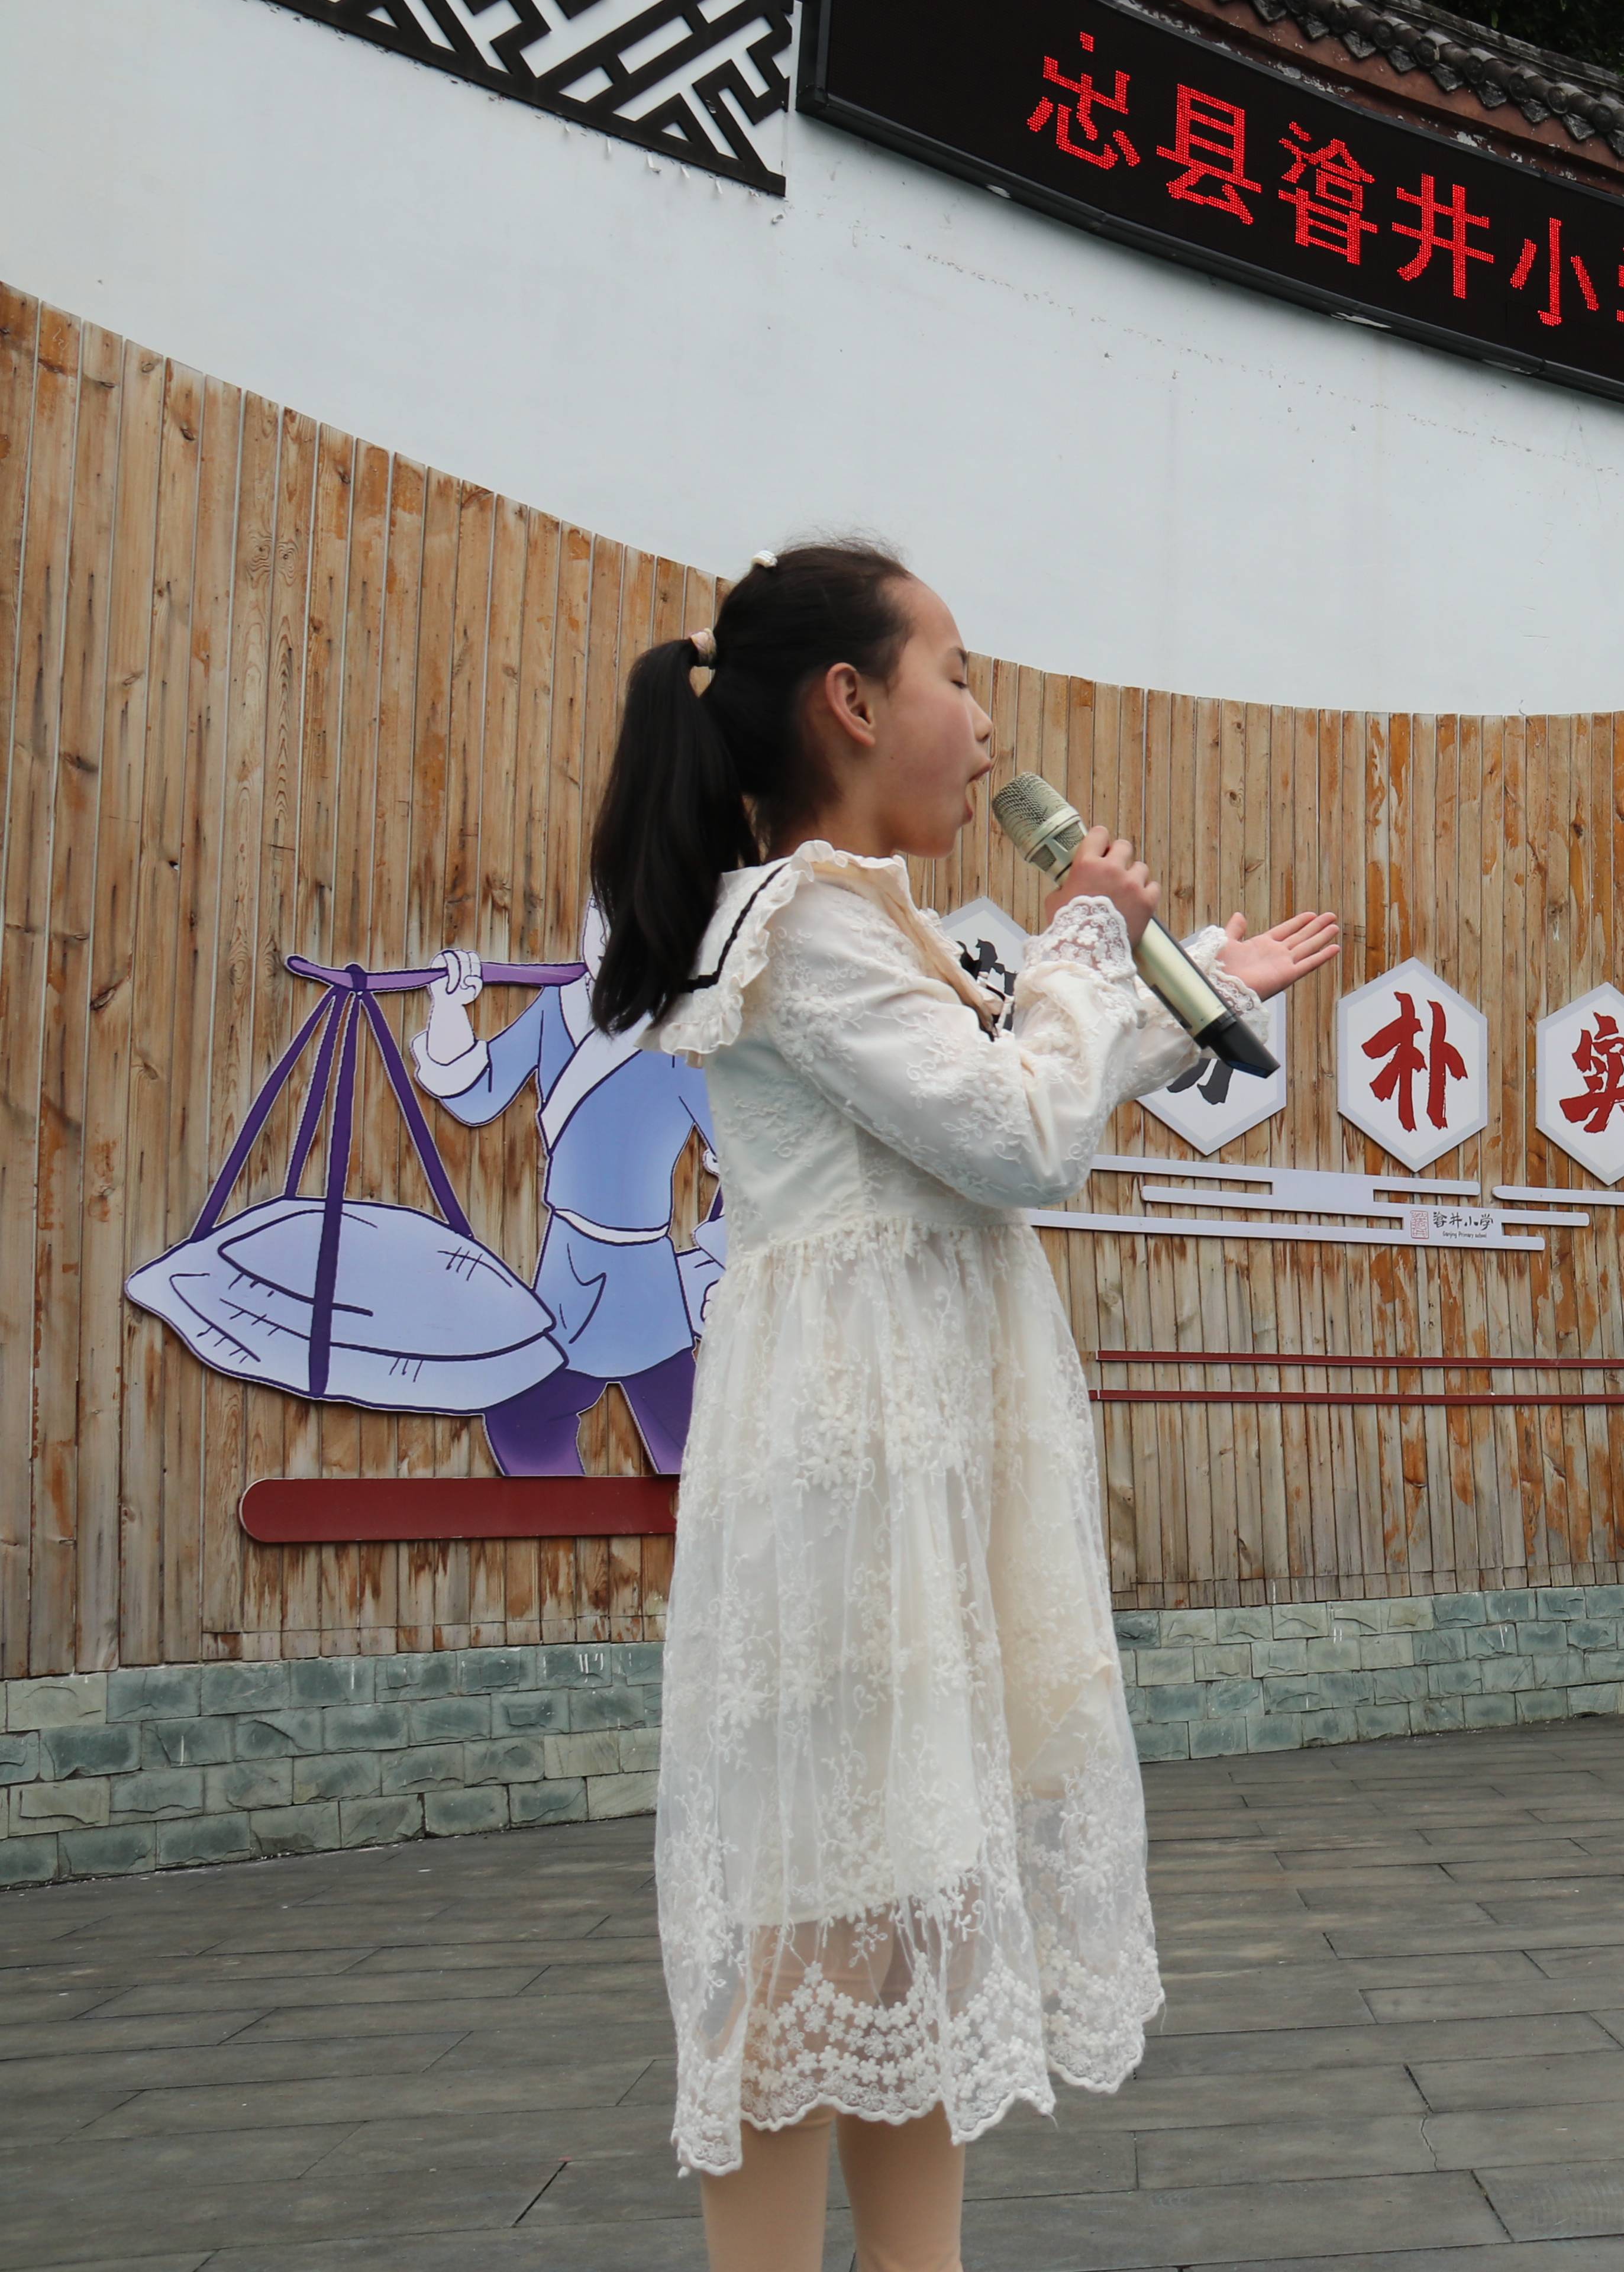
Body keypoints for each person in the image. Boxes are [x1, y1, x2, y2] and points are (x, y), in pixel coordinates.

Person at [583, 542, 1341, 2271]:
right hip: (855, 1475)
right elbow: (1013, 1136)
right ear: (849, 704)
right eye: (954, 673)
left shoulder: (865, 922)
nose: (983, 718)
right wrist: (1088, 938)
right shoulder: (803, 917)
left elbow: (997, 1099)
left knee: (903, 1909)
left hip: (903, 1454)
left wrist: (1175, 987)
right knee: (812, 1934)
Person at [410, 898, 721, 1475]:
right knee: (523, 1423)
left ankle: (705, 1535)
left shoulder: (682, 1040)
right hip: (567, 1266)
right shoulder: (558, 1009)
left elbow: (745, 1153)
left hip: (643, 1272)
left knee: (691, 1441)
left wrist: (722, 1264)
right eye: (603, 916)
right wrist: (450, 1008)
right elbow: (478, 1091)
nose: (610, 937)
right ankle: (562, 1518)